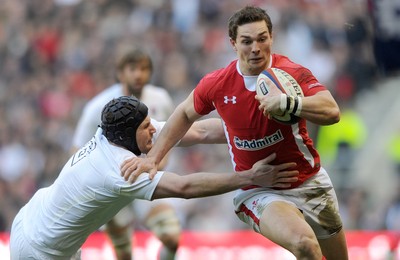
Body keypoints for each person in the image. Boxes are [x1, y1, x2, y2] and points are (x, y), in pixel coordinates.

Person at [121, 6, 348, 260]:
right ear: (233, 43)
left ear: (271, 37)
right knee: (305, 244)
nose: (255, 48)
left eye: (262, 39)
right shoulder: (218, 83)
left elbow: (331, 110)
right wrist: (152, 158)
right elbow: (185, 113)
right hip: (258, 189)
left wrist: (287, 102)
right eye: (246, 41)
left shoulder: (291, 73)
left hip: (309, 181)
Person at [9, 96, 299, 260]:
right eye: (146, 126)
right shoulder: (121, 168)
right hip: (41, 251)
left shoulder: (113, 132)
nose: (153, 131)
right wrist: (249, 176)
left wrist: (253, 128)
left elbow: (199, 132)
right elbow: (183, 187)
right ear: (128, 134)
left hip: (35, 221)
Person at [71, 48, 177, 260]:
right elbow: (77, 149)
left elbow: (169, 137)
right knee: (124, 254)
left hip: (147, 179)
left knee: (171, 238)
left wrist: (158, 162)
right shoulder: (98, 106)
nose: (139, 74)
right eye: (133, 69)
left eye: (144, 69)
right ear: (120, 73)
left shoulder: (161, 99)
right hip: (114, 188)